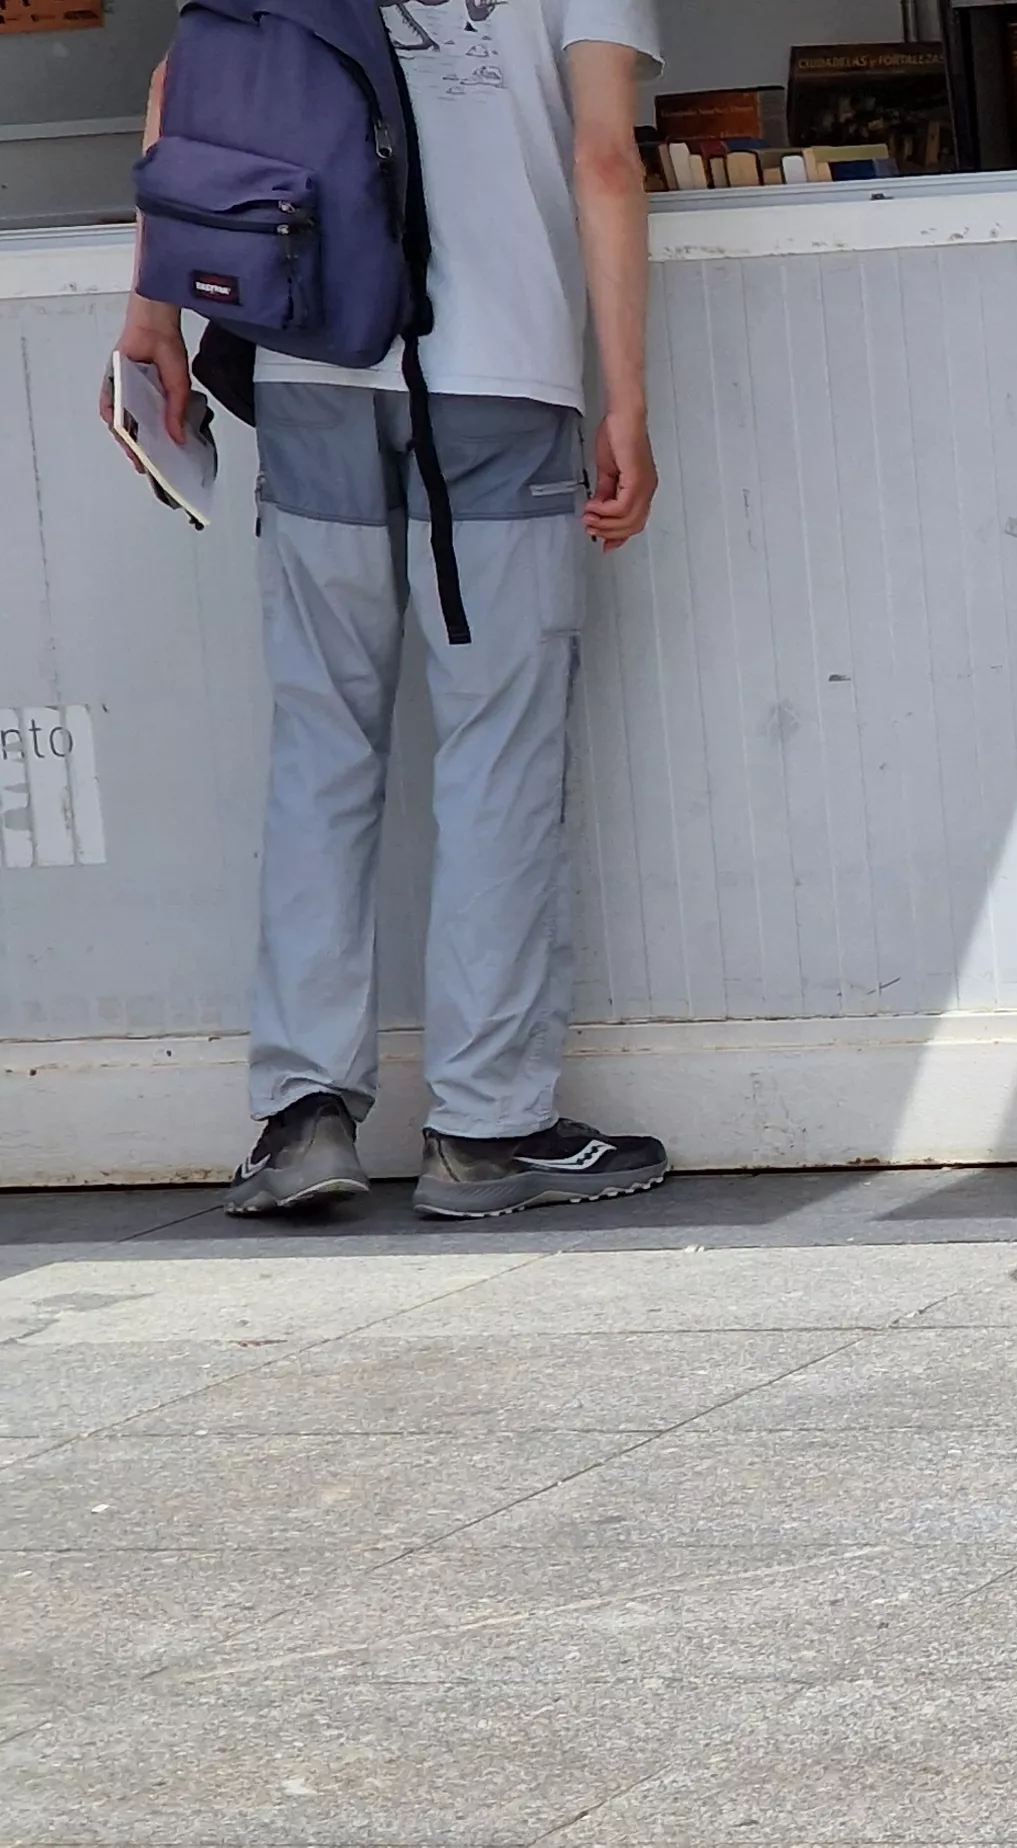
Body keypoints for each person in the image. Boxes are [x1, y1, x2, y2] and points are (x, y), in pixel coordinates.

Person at [118, 0, 674, 1221]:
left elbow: (185, 98)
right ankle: (488, 1127)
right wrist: (626, 393)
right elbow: (602, 156)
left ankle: (303, 1116)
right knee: (498, 752)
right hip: (502, 389)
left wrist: (153, 317)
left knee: (322, 747)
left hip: (314, 364)